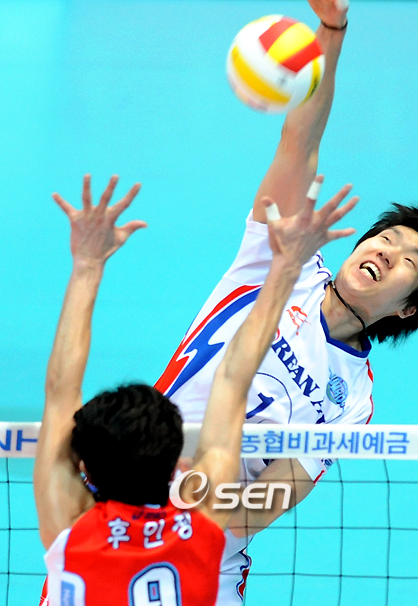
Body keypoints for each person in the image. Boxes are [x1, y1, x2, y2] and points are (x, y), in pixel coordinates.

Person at [155, 0, 418, 605]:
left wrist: (177, 491)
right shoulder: (281, 262)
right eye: (385, 238)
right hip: (119, 511)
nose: (385, 251)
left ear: (409, 307)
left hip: (206, 561)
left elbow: (257, 511)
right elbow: (300, 144)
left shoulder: (353, 400)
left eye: (408, 260)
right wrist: (330, 33)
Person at [34, 172, 358, 606]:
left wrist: (87, 265)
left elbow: (59, 392)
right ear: (178, 467)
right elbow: (232, 379)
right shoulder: (203, 529)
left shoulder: (69, 529)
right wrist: (285, 267)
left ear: (84, 467)